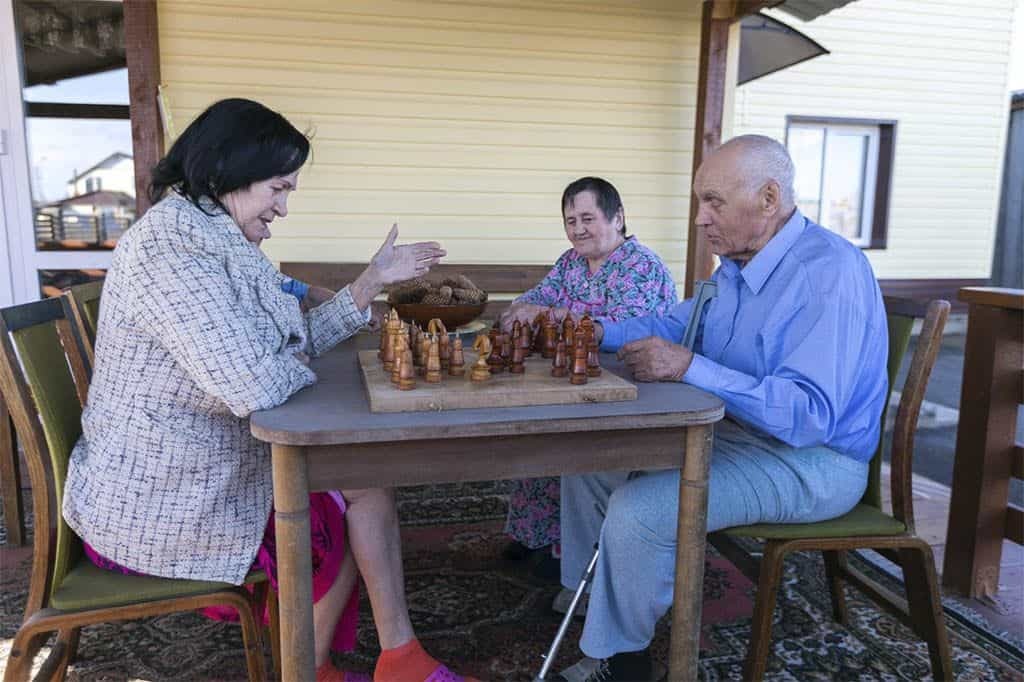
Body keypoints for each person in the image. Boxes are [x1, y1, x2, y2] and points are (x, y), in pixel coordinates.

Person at [62, 98, 476, 682]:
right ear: (228, 170)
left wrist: (370, 281)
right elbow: (254, 383)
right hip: (164, 498)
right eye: (278, 189)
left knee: (364, 478)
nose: (283, 207)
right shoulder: (172, 251)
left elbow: (291, 337)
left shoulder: (214, 237)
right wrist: (290, 353)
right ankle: (310, 670)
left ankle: (395, 657)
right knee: (325, 506)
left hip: (198, 462)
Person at [556, 135, 888, 681]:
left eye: (713, 202)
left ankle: (620, 661)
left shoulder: (827, 272)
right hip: (743, 434)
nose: (699, 219)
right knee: (589, 460)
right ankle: (594, 604)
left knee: (642, 511)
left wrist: (690, 367)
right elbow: (673, 324)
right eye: (698, 202)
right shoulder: (736, 267)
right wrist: (585, 332)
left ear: (768, 198)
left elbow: (807, 416)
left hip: (814, 461)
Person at [496, 177, 677, 575]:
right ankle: (538, 535)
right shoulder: (570, 263)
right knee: (532, 434)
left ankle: (575, 558)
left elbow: (627, 329)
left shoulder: (641, 266)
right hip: (574, 381)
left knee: (572, 446)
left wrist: (556, 317)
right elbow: (535, 298)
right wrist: (520, 309)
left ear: (618, 217)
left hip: (631, 388)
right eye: (570, 220)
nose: (578, 229)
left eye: (588, 218)